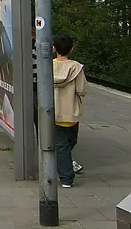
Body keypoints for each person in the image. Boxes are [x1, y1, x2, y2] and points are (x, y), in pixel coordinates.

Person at [52, 34, 87, 188]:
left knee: (61, 145)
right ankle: (66, 178)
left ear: (54, 49)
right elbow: (82, 90)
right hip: (71, 112)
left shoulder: (47, 66)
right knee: (70, 142)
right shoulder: (76, 68)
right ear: (71, 49)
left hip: (53, 112)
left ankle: (62, 166)